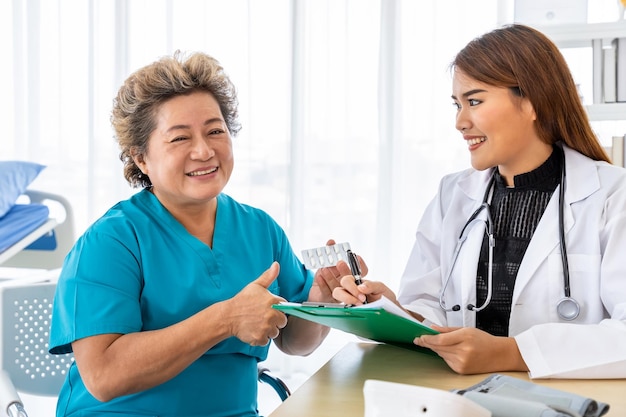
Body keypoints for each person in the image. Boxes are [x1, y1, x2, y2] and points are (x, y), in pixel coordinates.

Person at [48, 51, 362, 416]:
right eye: (180, 138)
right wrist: (226, 319)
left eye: (215, 131)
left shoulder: (259, 230)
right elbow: (103, 376)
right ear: (141, 158)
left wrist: (321, 300)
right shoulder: (111, 242)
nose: (204, 150)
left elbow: (296, 342)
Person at [333, 24, 626, 379]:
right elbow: (428, 308)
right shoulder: (453, 195)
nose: (460, 121)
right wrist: (393, 311)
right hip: (461, 397)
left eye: (474, 101)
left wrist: (511, 353)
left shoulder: (612, 195)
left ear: (533, 101)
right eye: (457, 105)